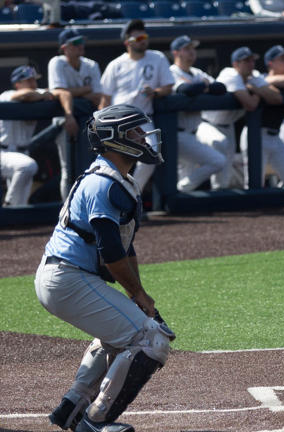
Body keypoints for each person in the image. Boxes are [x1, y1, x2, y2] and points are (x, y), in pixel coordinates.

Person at [38, 104, 174, 432]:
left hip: (66, 276)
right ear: (115, 140)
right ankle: (95, 422)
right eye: (135, 132)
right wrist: (138, 292)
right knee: (150, 340)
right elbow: (110, 251)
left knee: (123, 333)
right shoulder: (104, 183)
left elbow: (125, 248)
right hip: (66, 277)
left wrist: (139, 297)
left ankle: (73, 406)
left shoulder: (117, 178)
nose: (144, 137)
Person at [100, 19, 174, 192]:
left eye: (144, 36)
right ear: (127, 42)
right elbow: (105, 97)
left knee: (152, 156)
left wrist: (155, 92)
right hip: (118, 119)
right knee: (112, 163)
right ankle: (110, 200)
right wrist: (102, 125)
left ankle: (130, 195)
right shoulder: (116, 64)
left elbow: (168, 87)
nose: (142, 40)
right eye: (137, 37)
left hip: (143, 118)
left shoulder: (157, 58)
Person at [199, 46, 282, 189]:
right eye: (246, 61)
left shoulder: (253, 76)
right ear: (236, 64)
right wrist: (259, 92)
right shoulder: (230, 74)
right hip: (208, 125)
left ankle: (218, 202)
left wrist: (254, 89)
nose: (251, 64)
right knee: (217, 158)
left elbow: (277, 98)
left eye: (252, 60)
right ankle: (186, 190)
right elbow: (250, 105)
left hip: (228, 126)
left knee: (223, 177)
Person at [238, 45, 284, 188]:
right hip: (255, 134)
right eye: (282, 59)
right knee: (254, 182)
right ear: (270, 63)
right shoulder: (260, 79)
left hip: (275, 137)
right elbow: (256, 81)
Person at [48, 28, 103, 200]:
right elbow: (60, 92)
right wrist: (85, 91)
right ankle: (67, 210)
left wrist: (76, 92)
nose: (81, 46)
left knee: (90, 166)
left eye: (82, 42)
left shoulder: (91, 64)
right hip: (64, 118)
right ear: (65, 47)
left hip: (88, 121)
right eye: (76, 43)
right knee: (67, 168)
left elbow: (98, 96)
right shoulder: (57, 62)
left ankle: (86, 206)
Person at [168, 35, 227, 192]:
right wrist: (204, 87)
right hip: (177, 132)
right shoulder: (171, 72)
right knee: (218, 161)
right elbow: (186, 90)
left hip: (195, 131)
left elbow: (221, 88)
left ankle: (180, 197)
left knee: (186, 176)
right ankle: (179, 190)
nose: (192, 52)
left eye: (193, 48)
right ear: (176, 53)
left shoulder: (197, 72)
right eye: (187, 49)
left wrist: (201, 87)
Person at [0, 66, 52, 206]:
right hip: (3, 152)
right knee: (28, 166)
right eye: (28, 81)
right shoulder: (7, 94)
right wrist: (41, 96)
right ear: (17, 84)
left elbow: (54, 93)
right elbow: (24, 96)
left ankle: (12, 220)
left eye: (34, 80)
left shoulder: (37, 93)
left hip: (22, 151)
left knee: (22, 204)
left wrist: (41, 95)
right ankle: (8, 204)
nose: (33, 84)